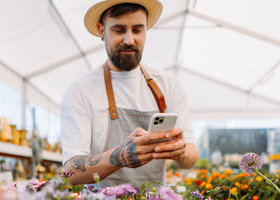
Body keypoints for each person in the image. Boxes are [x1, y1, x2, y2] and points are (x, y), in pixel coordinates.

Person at [60, 0, 198, 187]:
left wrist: (181, 151)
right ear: (102, 30)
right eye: (119, 30)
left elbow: (190, 157)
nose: (129, 40)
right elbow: (70, 173)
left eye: (137, 29)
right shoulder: (81, 90)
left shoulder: (167, 83)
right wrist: (120, 156)